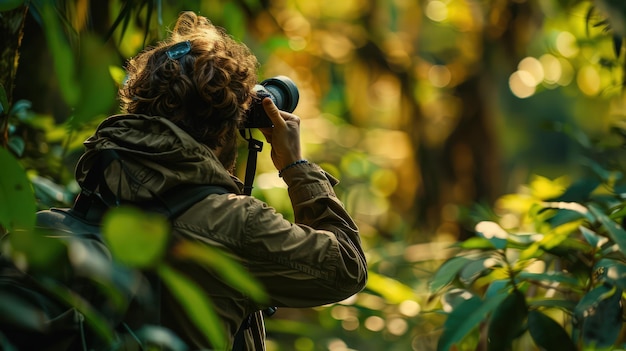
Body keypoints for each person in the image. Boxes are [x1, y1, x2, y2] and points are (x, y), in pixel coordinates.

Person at [73, 11, 368, 350]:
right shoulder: (234, 224)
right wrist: (296, 165)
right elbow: (346, 267)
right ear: (233, 120)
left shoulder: (97, 182)